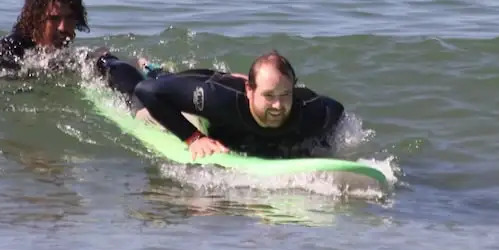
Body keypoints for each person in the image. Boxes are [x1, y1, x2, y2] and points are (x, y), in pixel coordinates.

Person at [97, 50, 344, 160]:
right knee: (137, 96)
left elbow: (336, 109)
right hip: (205, 90)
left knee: (167, 81)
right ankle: (107, 60)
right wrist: (193, 138)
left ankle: (156, 69)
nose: (278, 105)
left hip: (219, 85)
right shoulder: (221, 100)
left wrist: (318, 146)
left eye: (285, 94)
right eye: (269, 96)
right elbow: (148, 91)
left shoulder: (307, 110)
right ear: (250, 90)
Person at [0, 0, 90, 71]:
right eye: (54, 19)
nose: (63, 27)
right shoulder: (8, 53)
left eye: (70, 18)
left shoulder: (57, 55)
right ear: (35, 20)